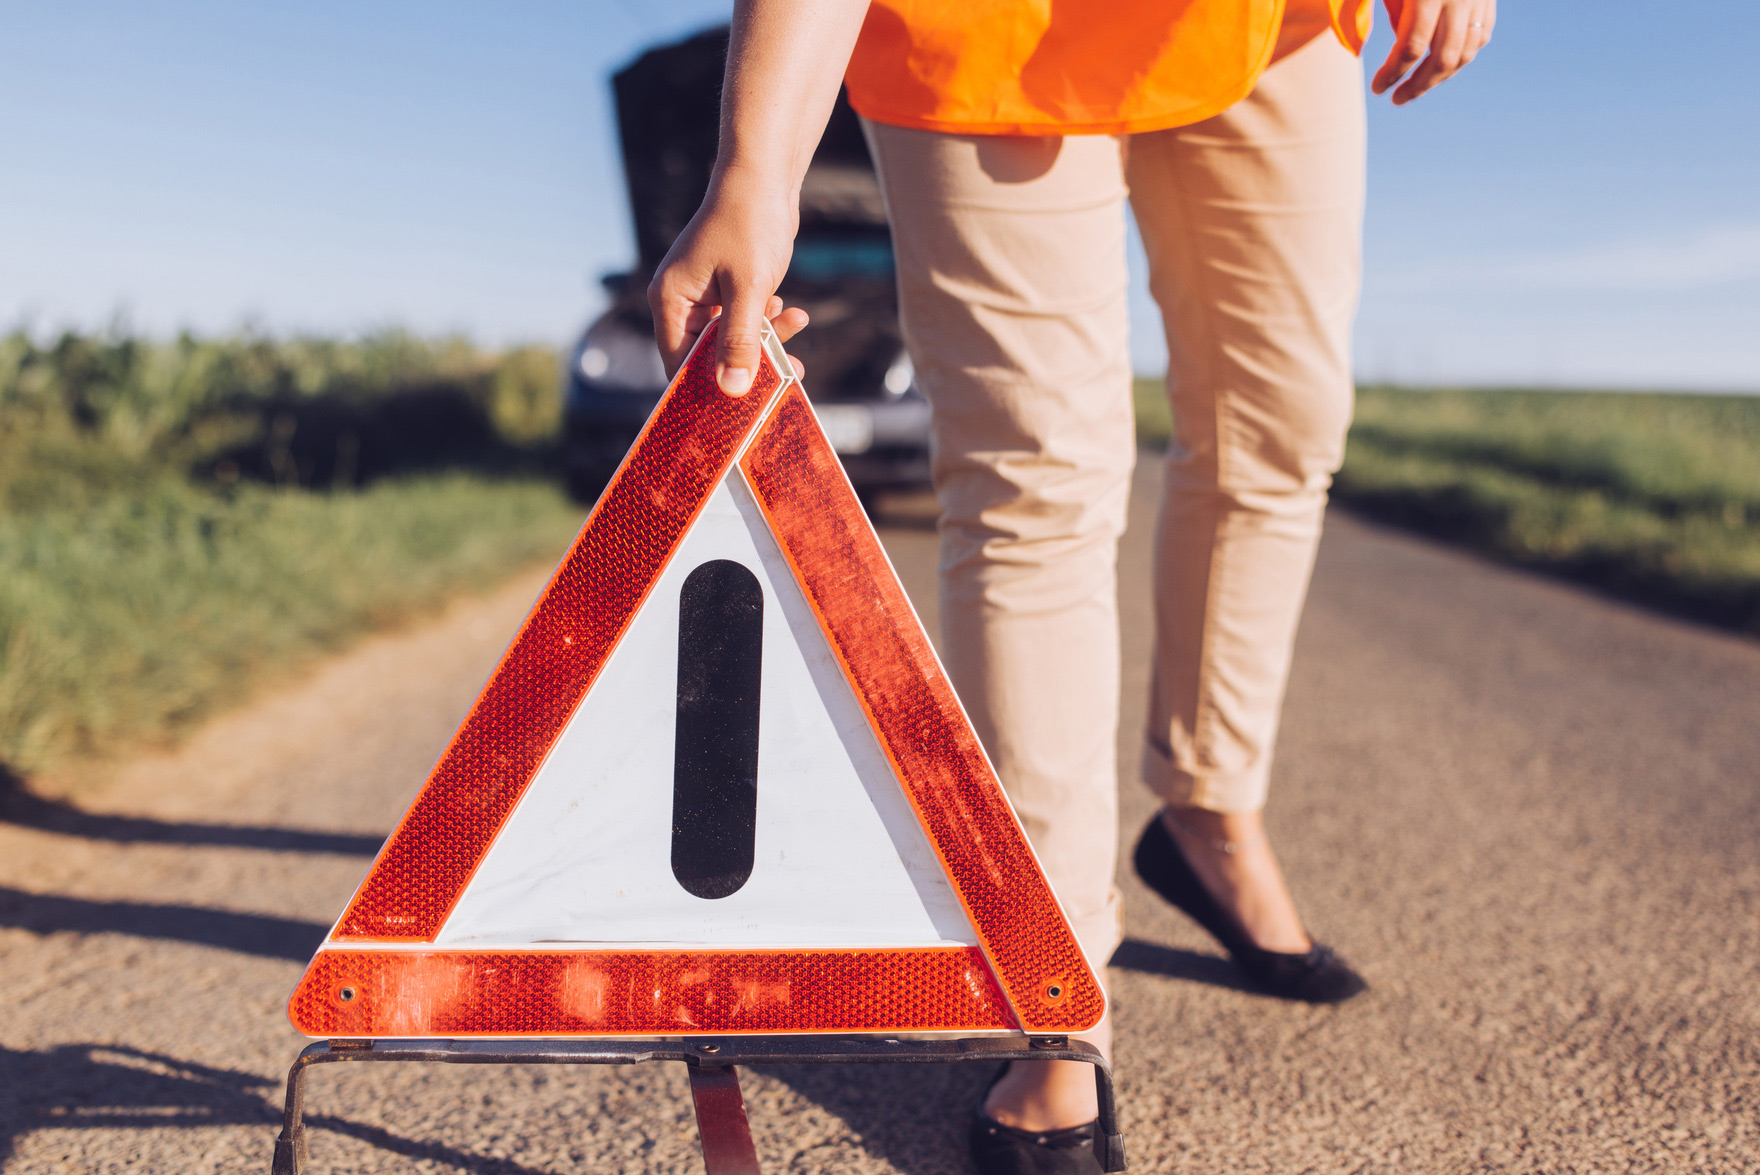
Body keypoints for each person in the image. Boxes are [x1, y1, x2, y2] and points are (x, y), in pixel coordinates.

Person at [650, 0, 1493, 1170]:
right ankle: (1053, 989)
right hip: (987, 35)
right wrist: (756, 169)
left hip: (1271, 26)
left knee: (1280, 433)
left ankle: (1208, 810)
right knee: (1030, 476)